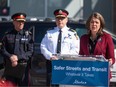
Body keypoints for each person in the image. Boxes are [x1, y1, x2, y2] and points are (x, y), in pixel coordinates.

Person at [40, 9, 80, 86]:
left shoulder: (72, 34)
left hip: (66, 65)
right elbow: (43, 46)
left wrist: (64, 58)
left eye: (62, 18)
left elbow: (75, 50)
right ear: (55, 20)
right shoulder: (49, 33)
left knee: (64, 85)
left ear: (66, 20)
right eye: (58, 18)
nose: (60, 20)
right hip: (52, 64)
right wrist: (50, 56)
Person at [79, 12, 115, 86]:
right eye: (92, 22)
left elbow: (112, 58)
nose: (94, 24)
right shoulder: (83, 38)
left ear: (101, 24)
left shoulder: (107, 37)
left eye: (97, 22)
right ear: (89, 24)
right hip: (87, 74)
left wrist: (110, 61)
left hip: (102, 74)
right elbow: (81, 56)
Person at [1, 12, 34, 86]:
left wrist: (17, 58)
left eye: (23, 22)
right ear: (14, 22)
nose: (21, 23)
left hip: (23, 66)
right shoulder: (7, 35)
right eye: (19, 21)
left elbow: (30, 51)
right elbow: (2, 49)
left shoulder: (28, 35)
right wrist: (10, 57)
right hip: (10, 66)